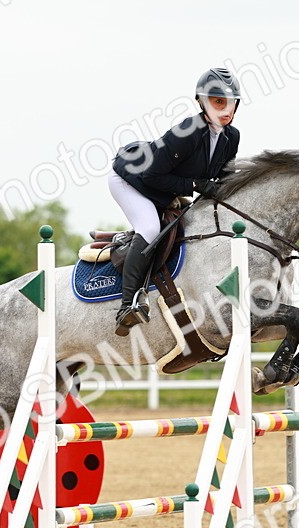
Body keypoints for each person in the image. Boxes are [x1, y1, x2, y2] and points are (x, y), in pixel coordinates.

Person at [108, 67, 242, 336]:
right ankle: (127, 305)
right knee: (149, 228)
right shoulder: (187, 132)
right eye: (218, 102)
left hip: (164, 187)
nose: (226, 109)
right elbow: (151, 175)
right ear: (202, 102)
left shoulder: (231, 137)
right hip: (131, 180)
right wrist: (194, 185)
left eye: (231, 103)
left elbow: (225, 179)